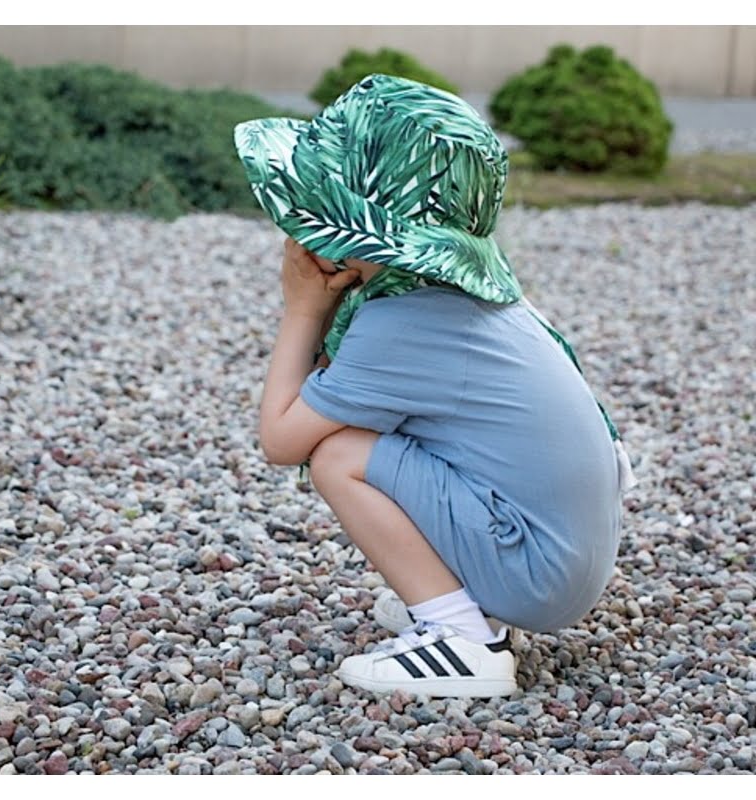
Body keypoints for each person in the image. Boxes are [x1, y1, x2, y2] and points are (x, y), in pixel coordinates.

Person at [234, 74, 637, 699]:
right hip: (566, 554)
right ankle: (473, 607)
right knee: (371, 441)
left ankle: (463, 640)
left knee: (339, 456)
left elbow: (281, 439)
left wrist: (303, 308)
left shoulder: (402, 324)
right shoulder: (473, 295)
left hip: (537, 573)